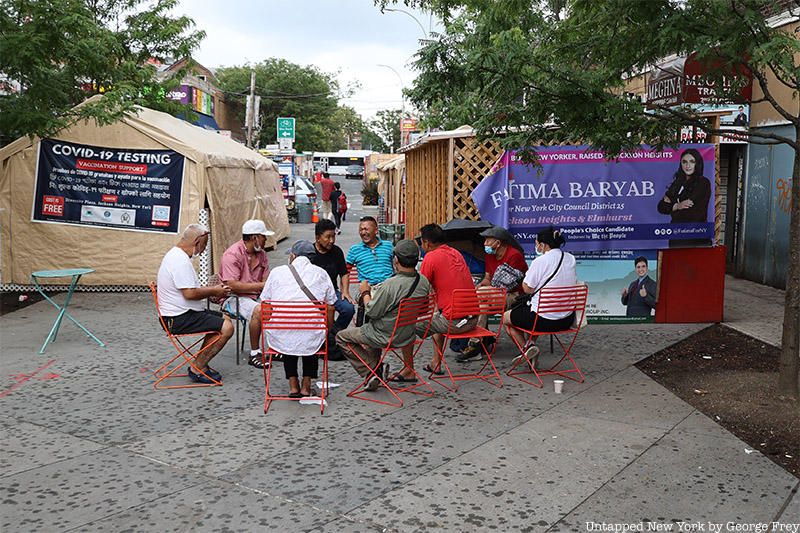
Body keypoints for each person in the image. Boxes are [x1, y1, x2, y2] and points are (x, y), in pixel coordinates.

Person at [336, 240, 431, 390]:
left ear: (396, 260)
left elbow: (372, 311)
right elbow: (424, 309)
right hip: (408, 333)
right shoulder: (423, 281)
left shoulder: (391, 285)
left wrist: (365, 292)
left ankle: (372, 370)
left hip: (386, 335)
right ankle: (374, 371)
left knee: (341, 337)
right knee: (372, 328)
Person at [156, 223, 234, 384]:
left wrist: (213, 290)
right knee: (227, 328)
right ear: (197, 241)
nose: (203, 250)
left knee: (225, 319)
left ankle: (201, 362)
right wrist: (214, 291)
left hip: (182, 312)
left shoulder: (177, 256)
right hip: (177, 318)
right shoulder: (179, 261)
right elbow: (190, 293)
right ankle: (197, 367)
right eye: (204, 245)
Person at [260, 240, 336, 398]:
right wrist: (327, 330)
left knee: (289, 333)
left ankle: (293, 385)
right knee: (312, 332)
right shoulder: (321, 273)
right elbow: (330, 307)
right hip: (312, 334)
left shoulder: (277, 272)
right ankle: (306, 386)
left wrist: (271, 325)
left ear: (293, 256)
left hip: (281, 334)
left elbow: (265, 304)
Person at [503, 227, 577, 369]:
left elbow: (527, 289)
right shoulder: (570, 258)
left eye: (536, 243)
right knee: (531, 310)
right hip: (566, 320)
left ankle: (527, 349)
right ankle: (531, 345)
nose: (536, 246)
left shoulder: (540, 261)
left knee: (506, 318)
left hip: (542, 320)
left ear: (543, 245)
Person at [457, 225, 528, 362]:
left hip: (514, 295)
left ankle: (472, 332)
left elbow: (507, 285)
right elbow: (488, 278)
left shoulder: (514, 255)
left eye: (488, 240)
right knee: (481, 306)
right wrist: (481, 285)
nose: (485, 243)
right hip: (494, 295)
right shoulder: (490, 256)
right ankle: (476, 345)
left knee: (478, 297)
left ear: (498, 242)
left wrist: (484, 291)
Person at [415, 223, 478, 377]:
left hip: (455, 323)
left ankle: (407, 369)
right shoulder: (456, 253)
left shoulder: (431, 257)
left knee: (407, 325)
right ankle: (435, 363)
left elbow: (420, 289)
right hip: (473, 320)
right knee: (438, 316)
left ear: (427, 243)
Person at [219, 219, 273, 369]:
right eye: (263, 236)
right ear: (255, 238)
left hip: (255, 295)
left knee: (279, 305)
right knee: (260, 310)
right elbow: (232, 285)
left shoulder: (262, 254)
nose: (266, 239)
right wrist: (262, 286)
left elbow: (266, 278)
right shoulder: (232, 254)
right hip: (233, 298)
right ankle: (255, 353)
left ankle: (277, 347)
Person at [310, 219, 356, 342]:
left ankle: (333, 334)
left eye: (333, 236)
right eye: (328, 237)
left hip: (332, 292)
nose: (331, 240)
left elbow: (344, 273)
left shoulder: (337, 251)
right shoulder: (309, 253)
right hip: (312, 294)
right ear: (318, 238)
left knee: (348, 309)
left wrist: (345, 291)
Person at [656, 148, 712, 247]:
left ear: (697, 164)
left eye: (692, 162)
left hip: (696, 238)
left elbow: (690, 212)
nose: (688, 165)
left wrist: (672, 206)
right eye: (684, 162)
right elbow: (661, 207)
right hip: (676, 236)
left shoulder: (703, 182)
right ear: (681, 164)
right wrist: (677, 206)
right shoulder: (677, 183)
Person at [346, 216, 394, 285]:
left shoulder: (388, 246)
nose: (363, 232)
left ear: (376, 230)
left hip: (388, 286)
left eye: (366, 229)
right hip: (368, 288)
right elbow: (345, 273)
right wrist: (345, 290)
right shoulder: (355, 250)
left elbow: (398, 265)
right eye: (361, 230)